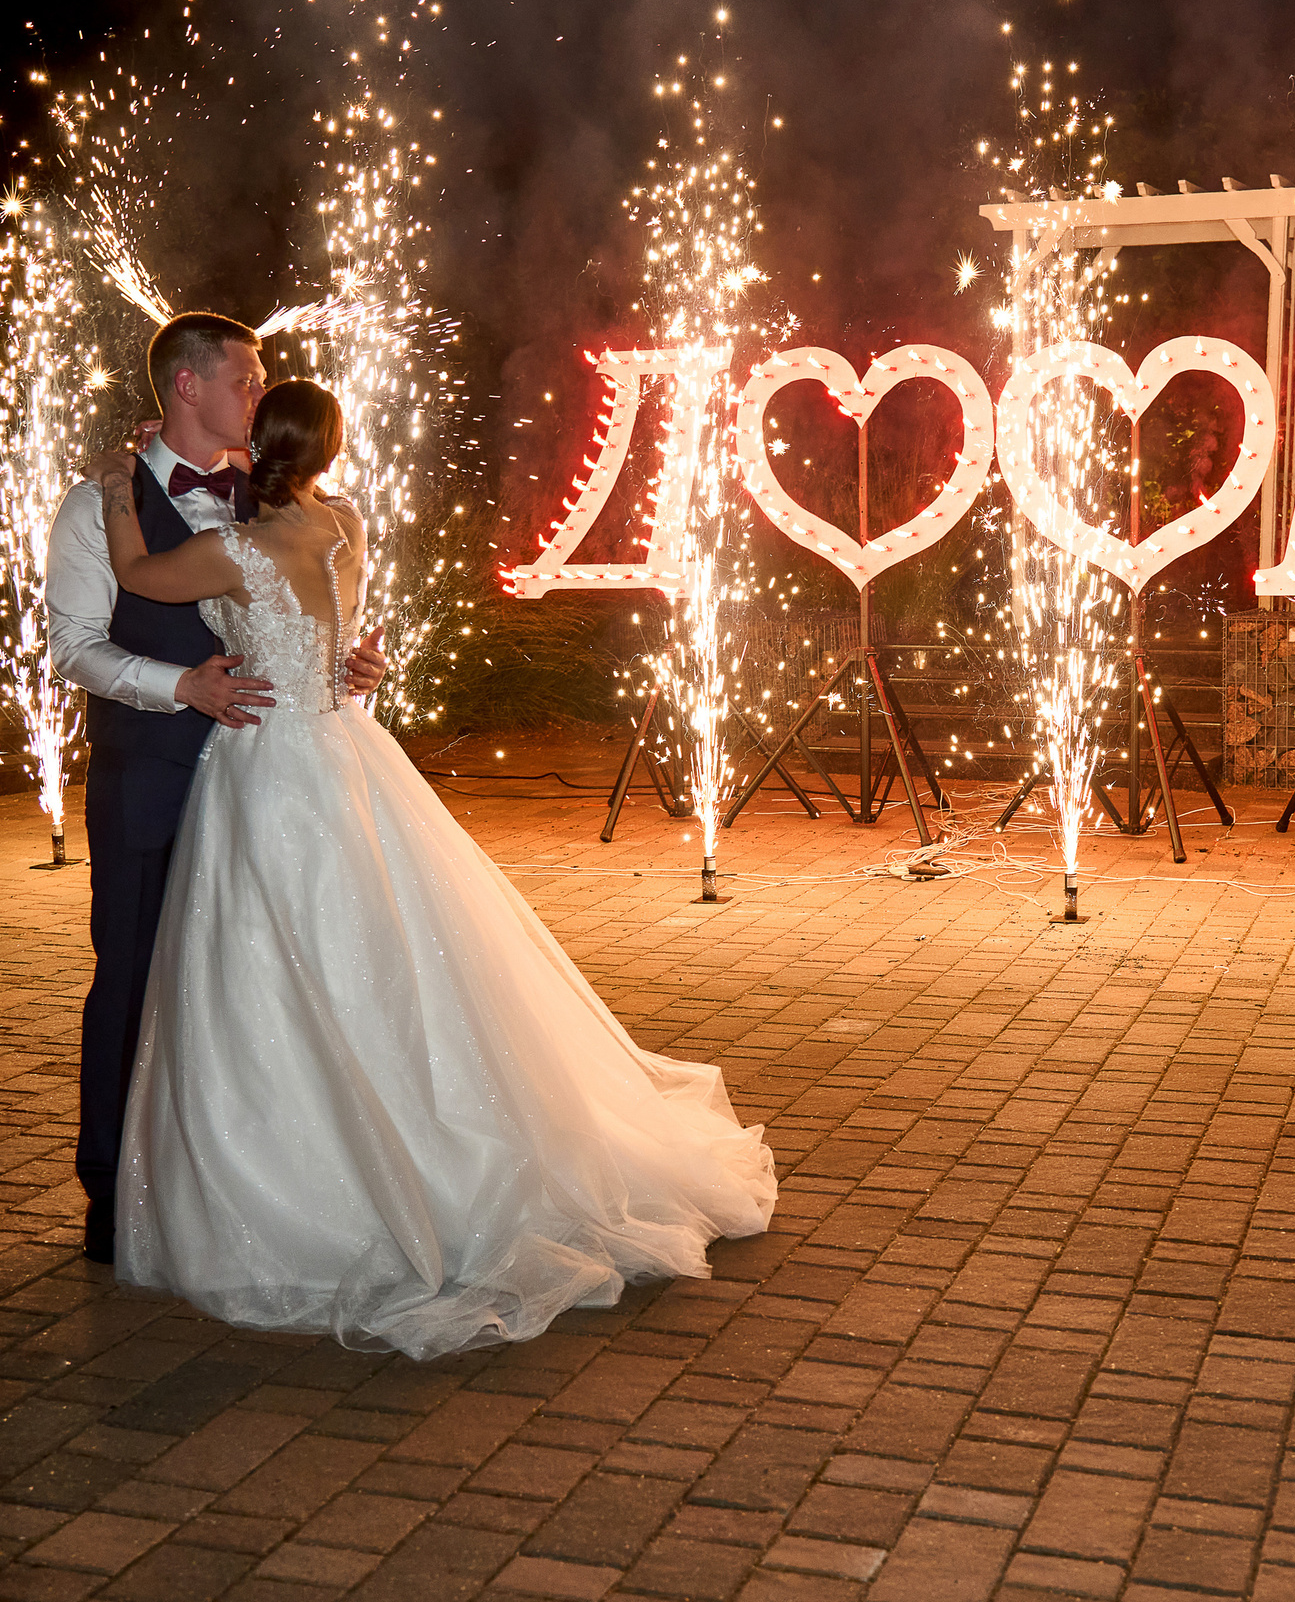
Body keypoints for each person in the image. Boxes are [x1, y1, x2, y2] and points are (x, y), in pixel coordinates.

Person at [85, 379, 774, 1359]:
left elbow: (135, 573)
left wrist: (117, 480)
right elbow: (335, 635)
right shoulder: (347, 525)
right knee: (383, 947)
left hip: (269, 769)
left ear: (258, 445)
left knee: (277, 960)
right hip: (344, 747)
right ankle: (414, 1130)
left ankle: (319, 1171)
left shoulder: (230, 550)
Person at [45, 312, 388, 1266]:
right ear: (187, 386)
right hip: (153, 781)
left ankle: (254, 1186)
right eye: (247, 375)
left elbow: (314, 609)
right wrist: (179, 687)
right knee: (134, 980)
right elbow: (74, 646)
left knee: (266, 987)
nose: (262, 388)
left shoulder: (284, 502)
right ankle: (114, 1190)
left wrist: (345, 661)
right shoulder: (94, 502)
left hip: (274, 792)